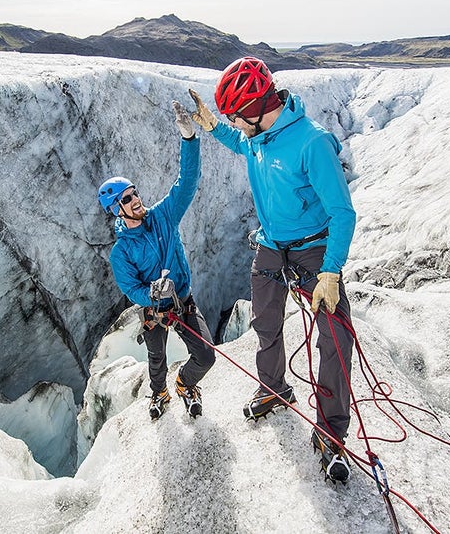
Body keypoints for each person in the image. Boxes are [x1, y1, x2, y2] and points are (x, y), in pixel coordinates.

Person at [187, 56, 356, 483]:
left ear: (257, 108)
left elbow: (342, 212)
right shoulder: (258, 134)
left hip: (314, 252)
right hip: (270, 248)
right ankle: (274, 388)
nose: (235, 123)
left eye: (235, 116)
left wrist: (331, 272)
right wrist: (212, 126)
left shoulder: (310, 142)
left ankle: (331, 434)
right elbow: (241, 143)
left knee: (334, 339)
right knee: (265, 323)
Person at [98, 101, 216, 420]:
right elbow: (129, 287)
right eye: (126, 199)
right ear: (115, 209)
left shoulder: (163, 216)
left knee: (205, 356)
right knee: (155, 357)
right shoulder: (121, 252)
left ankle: (184, 384)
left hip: (183, 299)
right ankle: (159, 391)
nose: (135, 200)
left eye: (134, 193)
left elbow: (186, 183)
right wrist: (151, 296)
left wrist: (188, 139)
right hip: (153, 308)